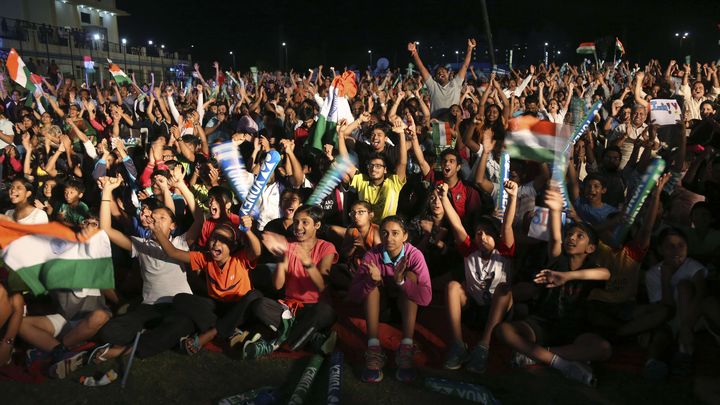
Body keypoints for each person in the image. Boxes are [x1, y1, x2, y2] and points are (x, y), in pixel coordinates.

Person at [495, 187, 612, 386]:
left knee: (603, 348)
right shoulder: (558, 259)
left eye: (579, 236)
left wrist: (567, 277)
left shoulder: (592, 269)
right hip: (542, 323)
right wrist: (556, 209)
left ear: (591, 248)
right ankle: (561, 364)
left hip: (574, 330)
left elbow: (606, 273)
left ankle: (536, 356)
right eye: (571, 234)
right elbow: (556, 236)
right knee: (503, 331)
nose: (572, 238)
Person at [442, 180, 517, 372]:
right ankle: (458, 345)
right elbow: (456, 225)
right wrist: (443, 197)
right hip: (474, 309)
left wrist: (513, 197)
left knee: (503, 288)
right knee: (453, 286)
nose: (482, 237)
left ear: (496, 237)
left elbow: (507, 226)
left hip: (499, 312)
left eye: (488, 234)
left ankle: (484, 346)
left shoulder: (503, 251)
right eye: (478, 233)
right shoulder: (470, 250)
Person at [349, 216, 432, 383]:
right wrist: (370, 282)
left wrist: (402, 281)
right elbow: (354, 295)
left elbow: (426, 298)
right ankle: (373, 348)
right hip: (381, 309)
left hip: (407, 308)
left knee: (410, 276)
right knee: (371, 284)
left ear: (405, 236)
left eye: (395, 233)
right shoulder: (373, 255)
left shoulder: (414, 255)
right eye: (385, 233)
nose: (390, 238)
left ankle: (406, 347)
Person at [262, 205, 339, 356]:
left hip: (315, 307)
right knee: (260, 305)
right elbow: (278, 286)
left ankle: (286, 341)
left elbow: (322, 285)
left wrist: (307, 262)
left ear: (317, 225)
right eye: (296, 222)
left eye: (305, 222)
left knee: (324, 312)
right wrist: (281, 260)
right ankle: (312, 337)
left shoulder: (327, 247)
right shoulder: (288, 245)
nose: (298, 227)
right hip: (290, 309)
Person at [408, 39, 476, 118]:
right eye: (438, 73)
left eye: (443, 71)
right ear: (435, 78)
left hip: (453, 123)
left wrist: (470, 48)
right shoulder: (433, 86)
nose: (441, 73)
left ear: (448, 74)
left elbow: (465, 66)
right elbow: (422, 68)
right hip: (436, 124)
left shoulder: (456, 83)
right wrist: (414, 52)